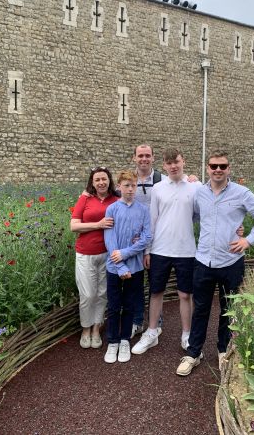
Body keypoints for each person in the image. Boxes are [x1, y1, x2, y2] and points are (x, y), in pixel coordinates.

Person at [176, 150, 254, 376]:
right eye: (213, 166)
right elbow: (197, 217)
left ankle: (224, 350)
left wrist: (248, 239)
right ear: (207, 168)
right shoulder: (200, 193)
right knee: (200, 309)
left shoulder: (241, 193)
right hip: (203, 261)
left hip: (231, 261)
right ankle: (193, 353)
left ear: (229, 169)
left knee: (229, 310)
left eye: (222, 166)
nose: (218, 170)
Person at [132, 148, 203, 355]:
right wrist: (147, 250)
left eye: (177, 162)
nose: (173, 166)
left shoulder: (195, 187)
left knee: (184, 294)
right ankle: (152, 332)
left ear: (183, 162)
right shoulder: (158, 188)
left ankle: (187, 335)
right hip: (159, 250)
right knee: (155, 292)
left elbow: (202, 214)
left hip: (186, 250)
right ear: (163, 165)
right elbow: (152, 220)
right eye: (169, 163)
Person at [103, 170, 151, 363]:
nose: (130, 189)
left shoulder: (143, 210)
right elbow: (109, 238)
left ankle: (125, 340)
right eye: (126, 185)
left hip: (136, 267)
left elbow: (147, 237)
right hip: (114, 268)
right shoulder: (112, 209)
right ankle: (113, 341)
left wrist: (125, 253)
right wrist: (120, 265)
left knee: (130, 305)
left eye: (133, 185)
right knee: (114, 306)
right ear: (119, 187)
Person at [70, 167, 119, 349]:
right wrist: (98, 224)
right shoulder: (85, 199)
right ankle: (85, 328)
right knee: (88, 294)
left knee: (101, 293)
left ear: (109, 180)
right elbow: (74, 226)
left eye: (104, 179)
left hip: (107, 254)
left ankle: (97, 328)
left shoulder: (116, 199)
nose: (101, 182)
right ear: (92, 182)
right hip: (85, 253)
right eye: (97, 179)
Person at [131, 144, 165, 338]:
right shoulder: (127, 181)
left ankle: (156, 323)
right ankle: (137, 321)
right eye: (140, 155)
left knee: (155, 285)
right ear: (134, 158)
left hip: (157, 242)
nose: (144, 159)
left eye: (147, 156)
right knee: (135, 284)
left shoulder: (162, 181)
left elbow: (184, 186)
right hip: (134, 243)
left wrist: (193, 180)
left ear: (153, 158)